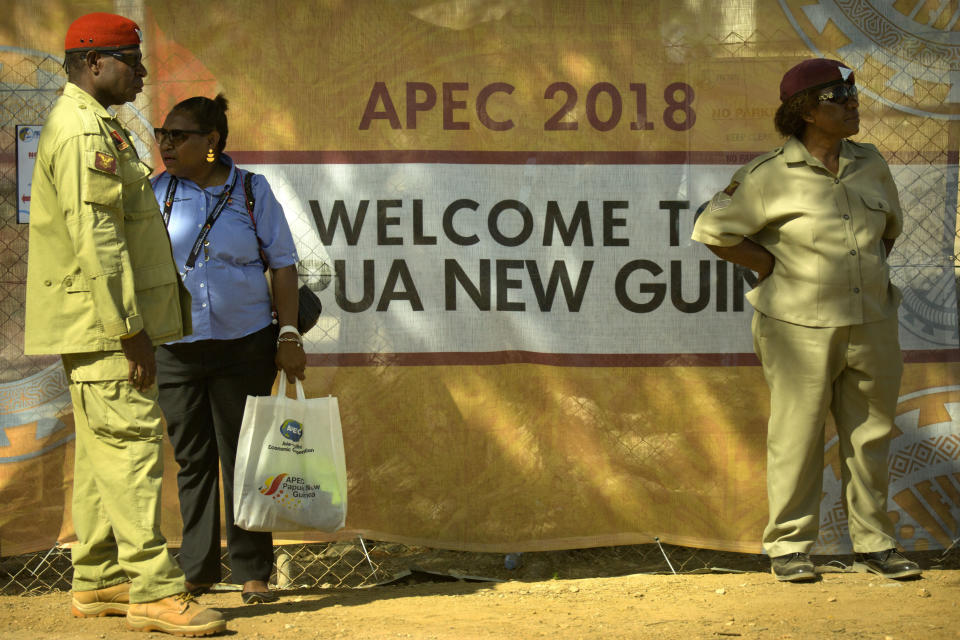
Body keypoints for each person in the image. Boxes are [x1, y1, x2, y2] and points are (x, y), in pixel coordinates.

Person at [23, 12, 226, 636]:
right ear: (95, 64)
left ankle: (100, 578)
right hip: (106, 325)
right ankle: (155, 590)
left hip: (95, 323)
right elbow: (98, 238)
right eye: (132, 63)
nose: (142, 75)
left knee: (103, 450)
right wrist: (129, 328)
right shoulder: (85, 132)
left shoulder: (92, 126)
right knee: (134, 447)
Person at [691, 58, 921, 582]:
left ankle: (876, 544)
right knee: (797, 434)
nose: (852, 104)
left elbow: (888, 230)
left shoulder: (871, 163)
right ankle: (790, 547)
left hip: (872, 320)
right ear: (806, 111)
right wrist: (772, 265)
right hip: (797, 325)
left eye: (853, 95)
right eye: (838, 97)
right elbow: (714, 231)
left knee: (871, 434)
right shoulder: (768, 175)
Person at [151, 94, 306, 604]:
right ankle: (196, 568)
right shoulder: (155, 193)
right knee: (193, 459)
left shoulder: (251, 191)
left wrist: (288, 335)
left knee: (245, 456)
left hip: (244, 344)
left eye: (179, 136)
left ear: (211, 142)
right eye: (163, 135)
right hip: (175, 346)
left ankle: (253, 571)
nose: (167, 145)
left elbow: (281, 264)